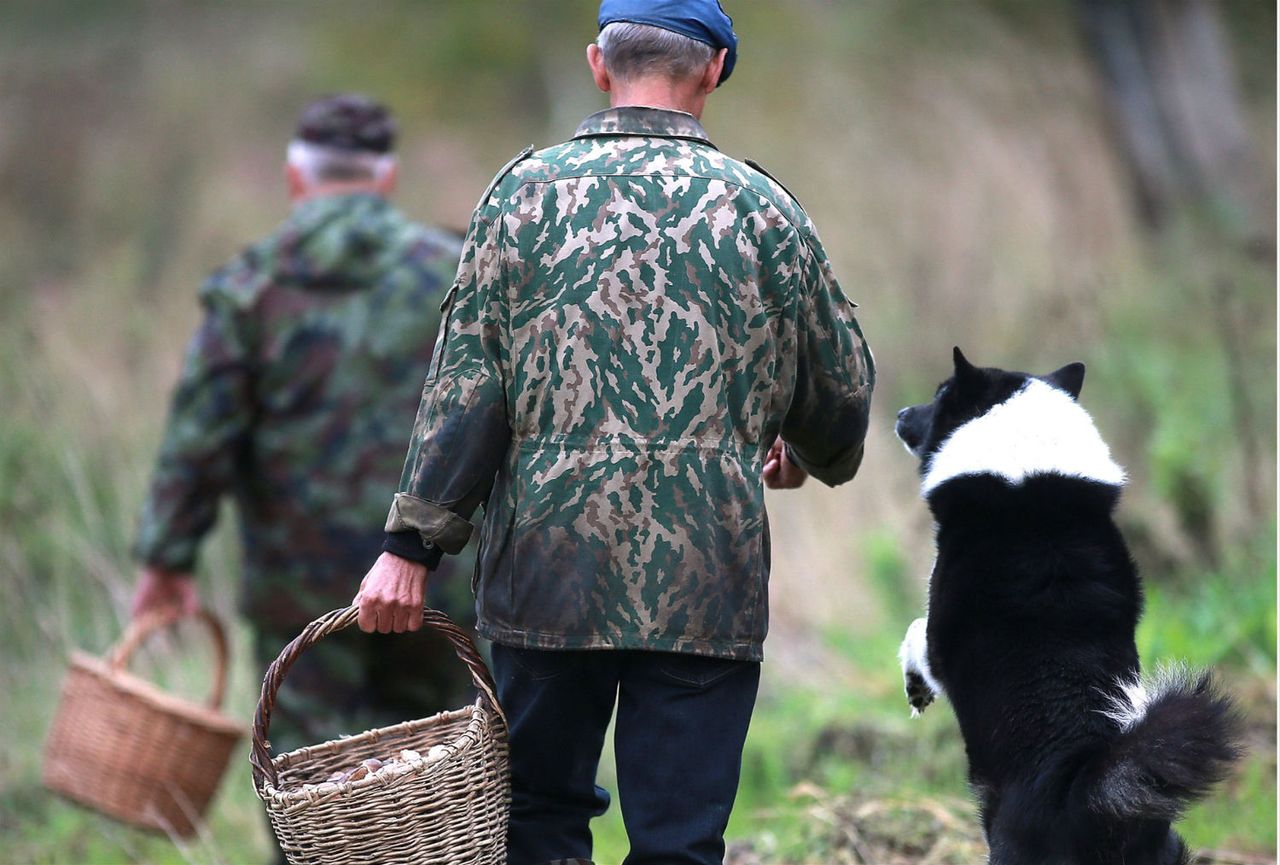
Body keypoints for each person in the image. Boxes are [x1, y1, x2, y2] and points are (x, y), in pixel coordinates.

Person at [356, 2, 875, 862]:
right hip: (706, 577)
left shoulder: (519, 196)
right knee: (679, 840)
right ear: (712, 71)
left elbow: (466, 391)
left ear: (600, 63)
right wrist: (810, 453)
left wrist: (410, 546)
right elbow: (842, 398)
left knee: (536, 821)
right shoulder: (767, 211)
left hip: (545, 579)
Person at [130, 94, 477, 762]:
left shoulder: (250, 288)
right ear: (386, 179)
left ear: (296, 179)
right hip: (439, 578)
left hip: (302, 595)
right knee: (451, 784)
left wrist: (166, 557)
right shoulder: (454, 269)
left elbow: (199, 439)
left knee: (307, 786)